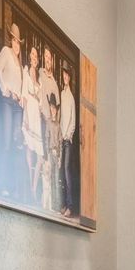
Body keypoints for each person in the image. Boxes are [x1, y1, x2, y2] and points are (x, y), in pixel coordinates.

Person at [0, 22, 23, 195]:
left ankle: (14, 187)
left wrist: (20, 96)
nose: (17, 45)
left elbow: (20, 85)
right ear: (11, 40)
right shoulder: (6, 51)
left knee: (16, 143)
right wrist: (5, 89)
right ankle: (2, 185)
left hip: (17, 105)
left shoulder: (19, 63)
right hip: (7, 101)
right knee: (6, 142)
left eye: (19, 42)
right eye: (15, 41)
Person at [20, 45, 45, 202]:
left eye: (36, 55)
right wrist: (27, 118)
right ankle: (29, 187)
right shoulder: (26, 71)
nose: (34, 57)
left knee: (40, 155)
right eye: (33, 54)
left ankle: (34, 188)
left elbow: (41, 102)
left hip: (37, 115)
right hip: (29, 112)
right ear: (29, 56)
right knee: (29, 149)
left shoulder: (39, 79)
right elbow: (24, 94)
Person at [59, 62, 77, 218]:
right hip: (61, 138)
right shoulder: (62, 94)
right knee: (61, 172)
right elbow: (61, 117)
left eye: (67, 75)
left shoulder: (70, 97)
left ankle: (70, 206)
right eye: (63, 74)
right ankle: (64, 204)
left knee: (66, 170)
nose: (65, 77)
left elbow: (73, 120)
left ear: (70, 78)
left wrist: (68, 134)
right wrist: (61, 133)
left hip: (68, 140)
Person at [42, 92, 62, 212]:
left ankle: (56, 206)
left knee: (56, 179)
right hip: (50, 153)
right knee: (49, 179)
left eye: (54, 108)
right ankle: (48, 205)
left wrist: (59, 157)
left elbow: (60, 141)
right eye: (51, 108)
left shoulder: (58, 125)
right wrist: (47, 154)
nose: (52, 110)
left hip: (56, 154)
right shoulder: (48, 122)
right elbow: (46, 138)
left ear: (56, 110)